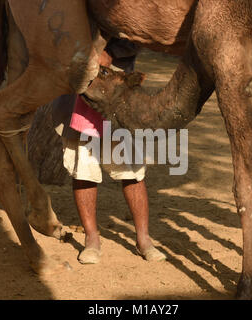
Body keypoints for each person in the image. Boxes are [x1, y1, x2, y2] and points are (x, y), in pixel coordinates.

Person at [56, 39, 166, 264]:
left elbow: (137, 30)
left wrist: (110, 52)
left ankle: (144, 239)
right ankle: (91, 239)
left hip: (118, 92)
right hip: (80, 88)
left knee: (132, 171)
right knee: (84, 170)